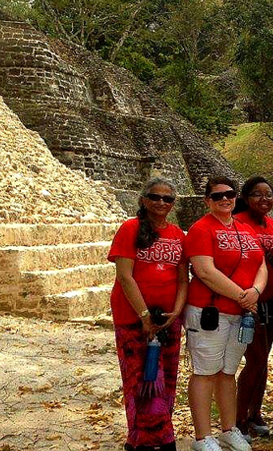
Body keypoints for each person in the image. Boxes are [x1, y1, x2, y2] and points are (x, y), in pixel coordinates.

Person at [184, 177, 268, 451]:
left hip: (240, 313)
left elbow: (261, 264)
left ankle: (228, 428)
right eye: (217, 196)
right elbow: (205, 271)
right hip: (211, 311)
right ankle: (202, 436)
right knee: (205, 372)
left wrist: (255, 290)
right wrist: (243, 297)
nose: (224, 199)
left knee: (227, 372)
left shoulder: (245, 229)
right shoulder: (201, 229)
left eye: (229, 194)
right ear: (208, 200)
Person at [109, 178, 188, 451]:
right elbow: (125, 276)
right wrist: (144, 316)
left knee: (165, 381)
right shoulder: (130, 229)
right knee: (142, 380)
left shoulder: (178, 234)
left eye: (168, 199)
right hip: (134, 317)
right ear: (144, 200)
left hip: (167, 319)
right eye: (156, 197)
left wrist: (176, 311)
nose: (161, 203)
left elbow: (182, 279)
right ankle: (159, 440)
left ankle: (144, 438)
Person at [233, 177, 273, 441]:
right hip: (249, 299)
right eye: (256, 194)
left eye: (269, 194)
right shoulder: (238, 222)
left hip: (272, 298)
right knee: (254, 359)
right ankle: (239, 419)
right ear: (245, 197)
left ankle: (255, 412)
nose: (264, 199)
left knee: (263, 360)